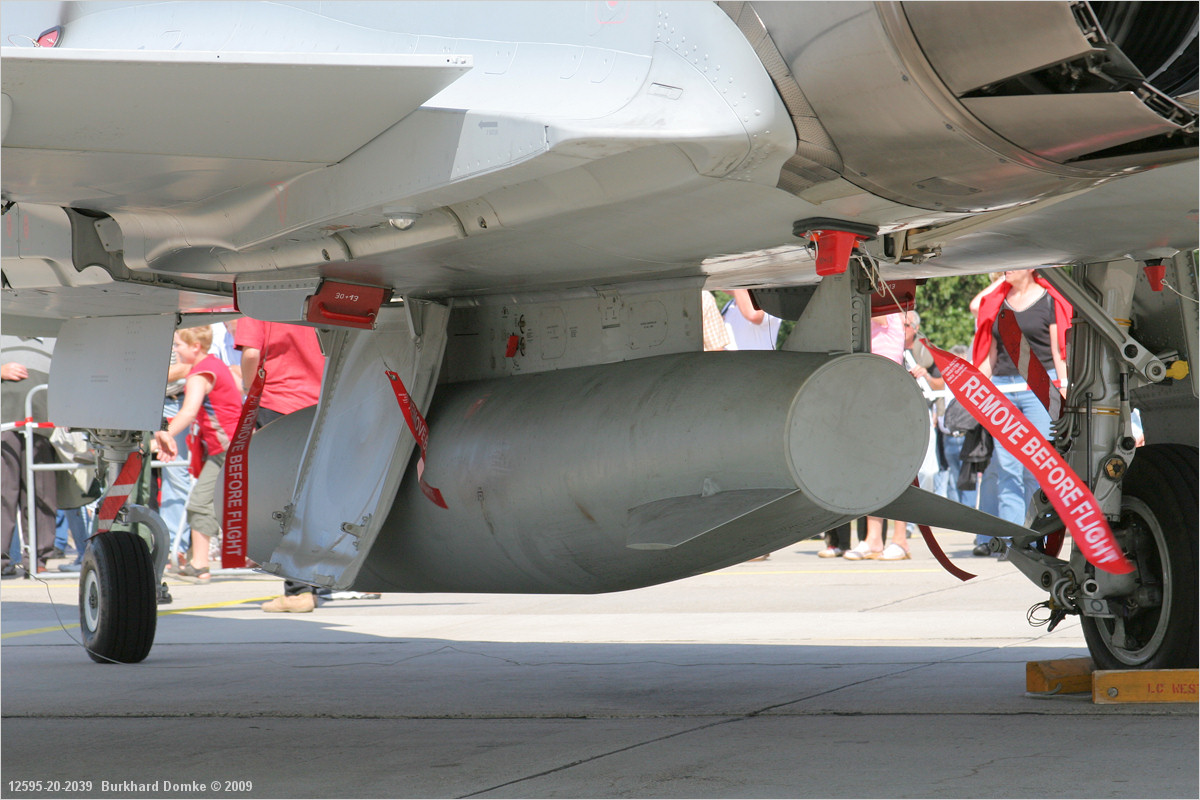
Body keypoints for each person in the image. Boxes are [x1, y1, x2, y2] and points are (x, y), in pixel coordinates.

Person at [235, 319, 326, 612]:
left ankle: (298, 590)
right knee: (316, 497)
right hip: (323, 401)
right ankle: (318, 582)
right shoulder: (318, 296)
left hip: (278, 403)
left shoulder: (260, 302)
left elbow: (252, 353)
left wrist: (249, 391)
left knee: (283, 500)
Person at [972, 269, 1071, 534]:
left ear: (1030, 267)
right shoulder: (997, 301)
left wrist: (1063, 388)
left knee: (1037, 466)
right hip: (1003, 390)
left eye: (1012, 264)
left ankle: (1035, 535)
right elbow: (990, 352)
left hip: (1039, 388)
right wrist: (976, 391)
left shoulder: (1048, 299)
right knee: (1008, 468)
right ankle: (1012, 536)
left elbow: (1057, 351)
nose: (1006, 269)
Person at [152, 326, 243, 583]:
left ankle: (200, 564)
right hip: (231, 446)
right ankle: (199, 562)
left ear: (195, 346)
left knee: (201, 503)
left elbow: (188, 411)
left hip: (228, 448)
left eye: (178, 345)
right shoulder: (214, 364)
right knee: (208, 502)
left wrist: (164, 435)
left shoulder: (199, 374)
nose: (175, 350)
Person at [844, 313, 911, 561]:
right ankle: (873, 538)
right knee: (872, 467)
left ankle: (900, 539)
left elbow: (871, 311)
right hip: (871, 388)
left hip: (888, 389)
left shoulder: (885, 310)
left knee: (895, 467)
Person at [1, 336, 58, 576]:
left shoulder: (53, 334)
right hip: (4, 424)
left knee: (42, 492)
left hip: (43, 424)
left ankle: (38, 558)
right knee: (4, 492)